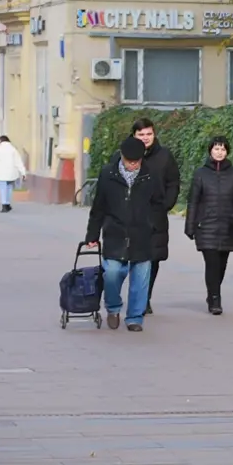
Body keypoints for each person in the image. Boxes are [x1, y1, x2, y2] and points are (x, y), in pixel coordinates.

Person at [84, 136, 157, 331]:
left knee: (140, 280)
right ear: (122, 157)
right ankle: (113, 307)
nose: (133, 165)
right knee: (112, 273)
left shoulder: (150, 175)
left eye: (136, 162)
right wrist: (92, 235)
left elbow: (158, 205)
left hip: (142, 234)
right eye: (129, 161)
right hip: (115, 233)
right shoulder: (108, 174)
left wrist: (155, 227)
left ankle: (134, 318)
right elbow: (98, 207)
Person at [184, 135, 233, 316]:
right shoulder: (200, 174)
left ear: (227, 152)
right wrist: (190, 225)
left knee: (221, 265)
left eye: (223, 149)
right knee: (211, 264)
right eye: (216, 148)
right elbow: (193, 201)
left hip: (227, 225)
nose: (219, 152)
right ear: (210, 150)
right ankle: (215, 299)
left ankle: (212, 292)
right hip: (206, 226)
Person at [126, 119, 180, 312]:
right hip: (130, 217)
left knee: (153, 258)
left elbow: (173, 182)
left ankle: (145, 298)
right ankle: (135, 295)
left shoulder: (165, 156)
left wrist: (167, 204)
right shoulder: (123, 155)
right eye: (141, 134)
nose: (145, 138)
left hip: (155, 216)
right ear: (134, 136)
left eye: (149, 134)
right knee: (131, 258)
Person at [0, 134, 26, 211]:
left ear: (0, 140)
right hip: (12, 173)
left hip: (0, 173)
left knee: (2, 188)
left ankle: (4, 204)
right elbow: (18, 162)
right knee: (9, 188)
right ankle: (7, 203)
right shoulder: (13, 149)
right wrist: (23, 172)